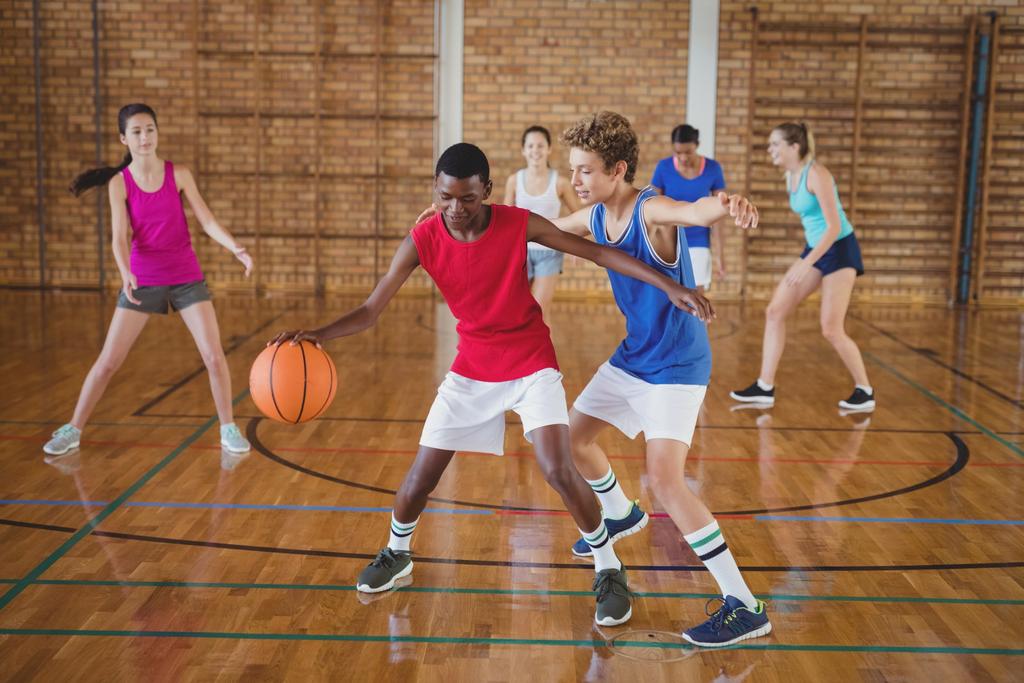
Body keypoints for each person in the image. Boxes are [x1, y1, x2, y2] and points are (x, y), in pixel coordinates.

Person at [270, 142, 716, 627]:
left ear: (485, 189)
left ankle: (609, 568)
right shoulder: (421, 239)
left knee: (557, 466)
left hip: (530, 361)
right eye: (445, 198)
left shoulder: (517, 223)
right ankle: (397, 554)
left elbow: (597, 253)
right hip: (471, 369)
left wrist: (670, 284)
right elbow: (371, 310)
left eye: (466, 198)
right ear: (434, 191)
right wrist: (319, 333)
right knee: (421, 476)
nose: (455, 209)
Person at [551, 111, 770, 647]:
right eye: (573, 171)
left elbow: (695, 209)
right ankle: (621, 513)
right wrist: (465, 216)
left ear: (618, 169)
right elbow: (542, 231)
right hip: (634, 357)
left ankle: (744, 604)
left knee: (668, 480)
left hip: (676, 363)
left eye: (584, 171)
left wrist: (728, 203)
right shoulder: (595, 216)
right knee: (572, 438)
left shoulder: (651, 212)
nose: (575, 182)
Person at [43, 103, 253, 457]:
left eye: (150, 130)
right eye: (137, 132)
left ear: (158, 133)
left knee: (214, 357)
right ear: (124, 138)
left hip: (186, 275)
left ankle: (228, 428)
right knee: (109, 360)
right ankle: (72, 429)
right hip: (143, 277)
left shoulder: (179, 173)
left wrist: (236, 248)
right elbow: (119, 238)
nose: (145, 137)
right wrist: (126, 273)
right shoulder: (118, 184)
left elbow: (207, 221)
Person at [730, 122, 875, 412]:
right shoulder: (790, 175)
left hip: (840, 249)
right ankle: (764, 387)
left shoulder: (817, 174)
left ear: (794, 147)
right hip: (816, 249)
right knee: (775, 311)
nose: (770, 149)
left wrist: (807, 262)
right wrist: (809, 258)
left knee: (831, 328)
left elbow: (833, 227)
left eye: (775, 144)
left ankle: (865, 391)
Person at [503, 125, 580, 319]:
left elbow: (579, 216)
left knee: (540, 312)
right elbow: (504, 219)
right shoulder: (514, 181)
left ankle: (543, 350)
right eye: (530, 146)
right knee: (517, 312)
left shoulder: (561, 183)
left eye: (540, 146)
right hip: (520, 253)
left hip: (549, 253)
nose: (535, 150)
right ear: (523, 150)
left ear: (549, 149)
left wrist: (576, 247)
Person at [650, 124, 728, 292]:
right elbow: (652, 209)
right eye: (678, 153)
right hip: (669, 240)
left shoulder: (713, 169)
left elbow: (720, 214)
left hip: (699, 240)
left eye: (688, 152)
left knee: (696, 299)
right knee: (669, 296)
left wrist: (720, 255)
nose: (683, 157)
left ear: (697, 146)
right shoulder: (663, 168)